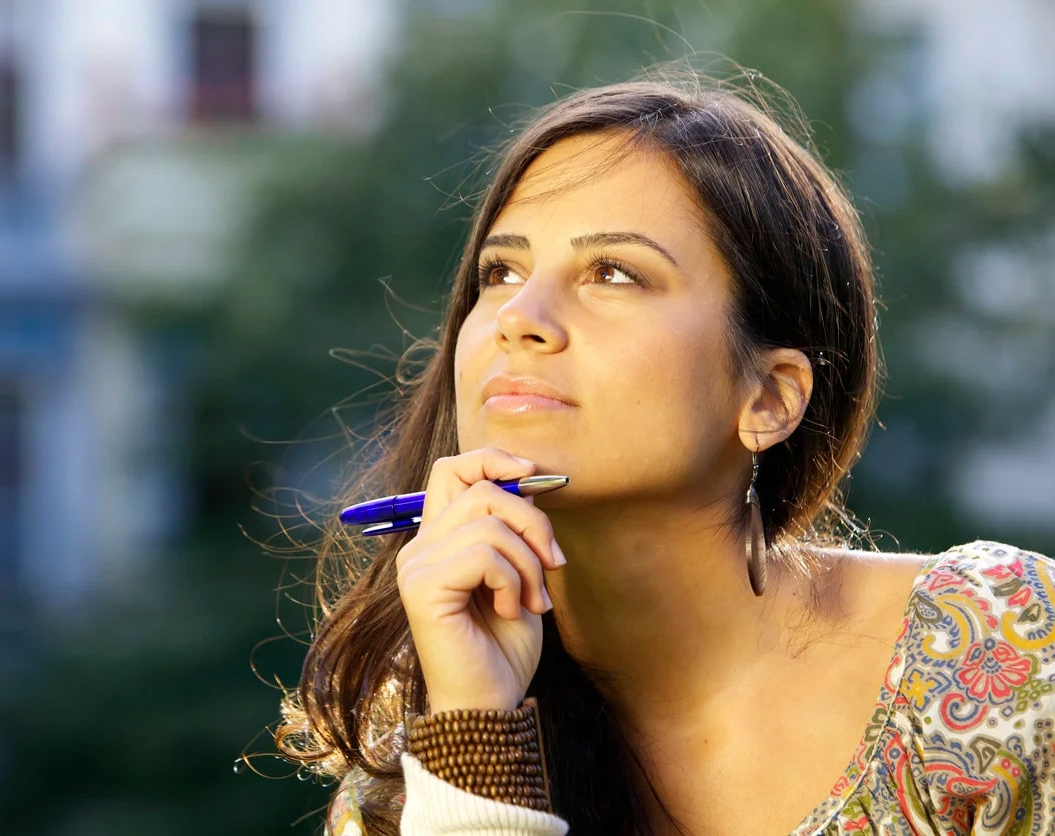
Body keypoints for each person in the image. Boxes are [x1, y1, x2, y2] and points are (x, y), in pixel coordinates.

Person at [273, 66, 1055, 835]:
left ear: (770, 398)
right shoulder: (403, 791)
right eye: (500, 270)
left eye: (613, 273)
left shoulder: (1000, 654)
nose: (519, 316)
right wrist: (476, 740)